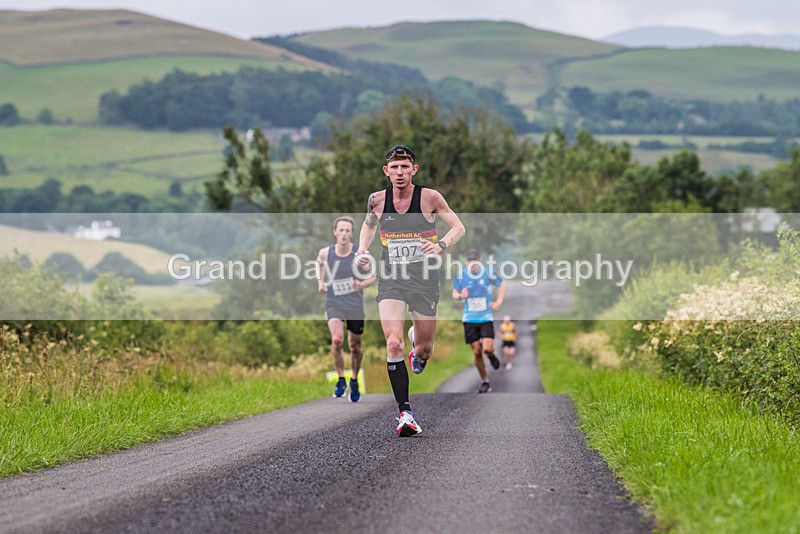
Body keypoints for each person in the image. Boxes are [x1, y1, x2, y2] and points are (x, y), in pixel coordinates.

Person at [356, 144, 465, 437]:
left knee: (425, 350)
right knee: (393, 343)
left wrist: (440, 245)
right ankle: (405, 414)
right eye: (395, 167)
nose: (400, 172)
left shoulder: (429, 197)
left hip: (425, 279)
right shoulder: (377, 200)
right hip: (391, 277)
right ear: (386, 171)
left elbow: (458, 227)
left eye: (405, 167)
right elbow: (368, 226)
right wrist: (362, 250)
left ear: (414, 169)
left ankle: (418, 342)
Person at [316, 216, 375, 402]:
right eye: (340, 230)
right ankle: (341, 379)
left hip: (355, 305)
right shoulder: (326, 253)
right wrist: (320, 282)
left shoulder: (359, 253)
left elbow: (373, 276)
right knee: (337, 339)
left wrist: (362, 284)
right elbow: (318, 263)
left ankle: (354, 379)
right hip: (334, 303)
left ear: (352, 233)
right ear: (335, 232)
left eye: (347, 231)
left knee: (355, 346)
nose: (344, 234)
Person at [452, 249, 506, 393]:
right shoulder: (461, 275)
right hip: (469, 319)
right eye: (470, 261)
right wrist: (460, 296)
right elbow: (454, 293)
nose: (473, 264)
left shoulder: (488, 273)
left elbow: (502, 285)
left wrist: (498, 302)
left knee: (487, 348)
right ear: (466, 262)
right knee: (476, 352)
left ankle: (491, 354)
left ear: (479, 261)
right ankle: (485, 381)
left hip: (486, 318)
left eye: (475, 261)